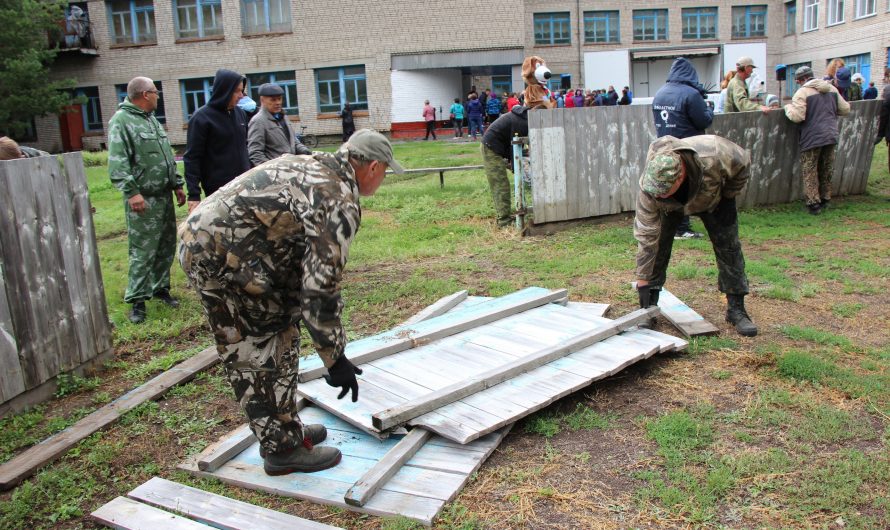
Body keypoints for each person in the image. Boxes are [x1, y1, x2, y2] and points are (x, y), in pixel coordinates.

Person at [179, 129, 404, 476]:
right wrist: (335, 358)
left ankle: (286, 429)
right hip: (220, 257)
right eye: (386, 171)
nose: (384, 178)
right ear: (372, 167)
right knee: (257, 347)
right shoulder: (337, 198)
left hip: (226, 247)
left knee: (281, 328)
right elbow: (320, 289)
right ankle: (281, 448)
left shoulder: (314, 166)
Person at [634, 134, 758, 337]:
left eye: (663, 190)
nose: (657, 195)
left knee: (729, 247)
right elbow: (646, 236)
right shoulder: (651, 188)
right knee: (657, 247)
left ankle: (736, 309)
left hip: (714, 197)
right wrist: (642, 279)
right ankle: (649, 306)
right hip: (670, 208)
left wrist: (727, 195)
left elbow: (743, 163)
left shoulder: (716, 153)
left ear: (680, 175)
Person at [107, 77, 186, 324]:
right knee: (142, 250)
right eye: (155, 92)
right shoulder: (121, 121)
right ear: (144, 94)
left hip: (163, 196)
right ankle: (137, 301)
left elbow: (165, 156)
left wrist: (177, 184)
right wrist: (132, 193)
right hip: (143, 199)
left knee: (164, 246)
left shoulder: (151, 120)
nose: (158, 96)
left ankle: (160, 289)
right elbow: (118, 162)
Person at [652, 57, 714, 240]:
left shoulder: (660, 92)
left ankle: (668, 226)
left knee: (669, 187)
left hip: (664, 146)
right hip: (687, 147)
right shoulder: (691, 94)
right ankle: (682, 229)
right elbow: (704, 120)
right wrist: (709, 108)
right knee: (686, 187)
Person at [784, 66, 850, 215]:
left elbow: (797, 116)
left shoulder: (802, 93)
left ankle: (813, 204)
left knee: (810, 170)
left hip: (811, 137)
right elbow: (845, 109)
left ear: (801, 80)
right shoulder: (831, 89)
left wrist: (788, 107)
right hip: (831, 134)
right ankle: (826, 198)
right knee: (826, 168)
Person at [184, 69, 251, 213]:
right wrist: (194, 194)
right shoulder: (202, 118)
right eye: (237, 91)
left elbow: (245, 147)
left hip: (244, 186)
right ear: (224, 90)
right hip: (219, 191)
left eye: (242, 91)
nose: (241, 96)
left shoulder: (240, 114)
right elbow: (192, 158)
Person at [480, 96, 547, 227]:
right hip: (491, 147)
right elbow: (514, 145)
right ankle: (504, 220)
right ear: (537, 115)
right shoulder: (522, 122)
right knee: (501, 184)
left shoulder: (524, 116)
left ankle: (508, 214)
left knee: (505, 181)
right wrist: (514, 166)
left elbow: (518, 146)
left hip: (500, 146)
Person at [248, 83, 311, 167]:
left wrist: (307, 152)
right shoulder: (258, 121)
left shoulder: (283, 116)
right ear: (262, 100)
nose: (278, 103)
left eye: (279, 99)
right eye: (273, 100)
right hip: (275, 175)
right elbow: (255, 154)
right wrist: (273, 172)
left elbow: (293, 142)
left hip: (291, 169)